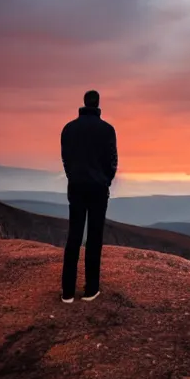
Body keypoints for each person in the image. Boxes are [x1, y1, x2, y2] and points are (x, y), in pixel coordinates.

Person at [60, 90, 118, 303]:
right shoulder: (107, 130)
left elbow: (65, 159)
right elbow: (113, 160)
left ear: (84, 103)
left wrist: (73, 177)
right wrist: (105, 180)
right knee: (94, 238)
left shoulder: (68, 129)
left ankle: (67, 292)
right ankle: (90, 290)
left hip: (76, 187)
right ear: (98, 103)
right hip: (98, 189)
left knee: (73, 237)